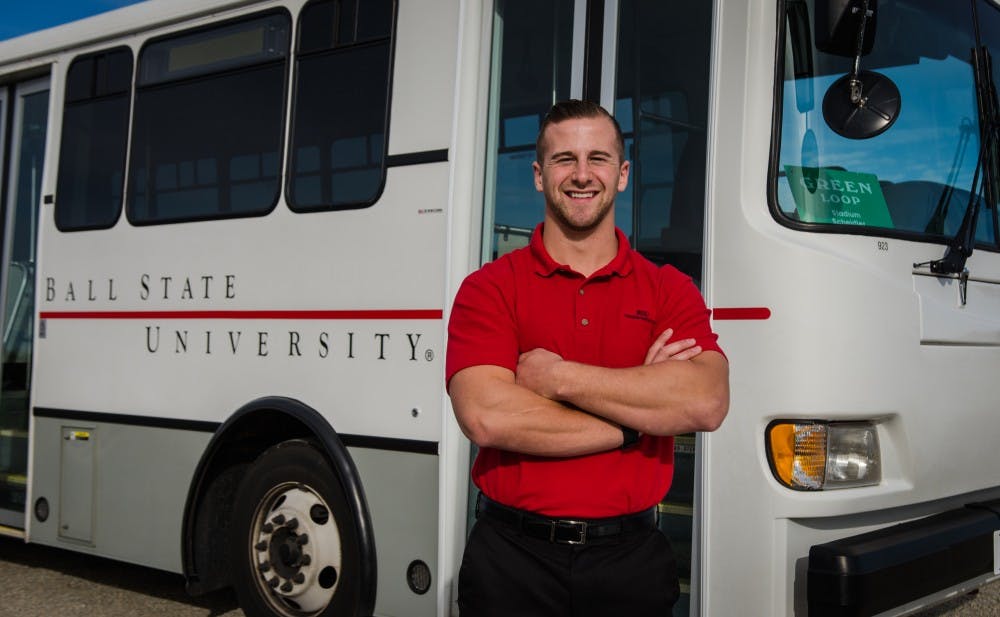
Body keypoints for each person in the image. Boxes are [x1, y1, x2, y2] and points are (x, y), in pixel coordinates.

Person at [446, 99, 729, 616]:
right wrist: (637, 417)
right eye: (563, 160)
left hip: (631, 563)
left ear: (622, 175)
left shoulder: (669, 288)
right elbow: (486, 416)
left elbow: (705, 401)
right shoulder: (489, 288)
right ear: (538, 175)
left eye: (598, 159)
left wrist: (557, 377)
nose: (582, 175)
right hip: (511, 562)